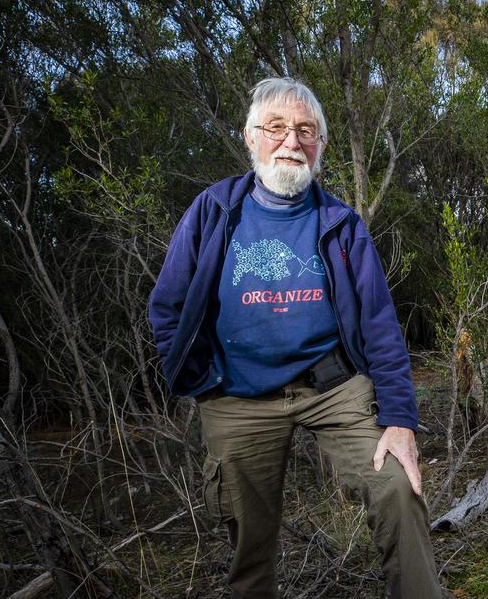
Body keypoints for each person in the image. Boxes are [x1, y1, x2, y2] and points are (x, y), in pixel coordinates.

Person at [149, 77, 441, 598]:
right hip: (236, 394)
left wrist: (399, 420)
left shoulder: (341, 224)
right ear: (250, 137)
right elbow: (168, 305)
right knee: (249, 542)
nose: (291, 141)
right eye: (276, 127)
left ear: (321, 146)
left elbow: (380, 324)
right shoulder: (213, 212)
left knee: (398, 486)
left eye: (306, 131)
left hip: (333, 388)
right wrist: (198, 377)